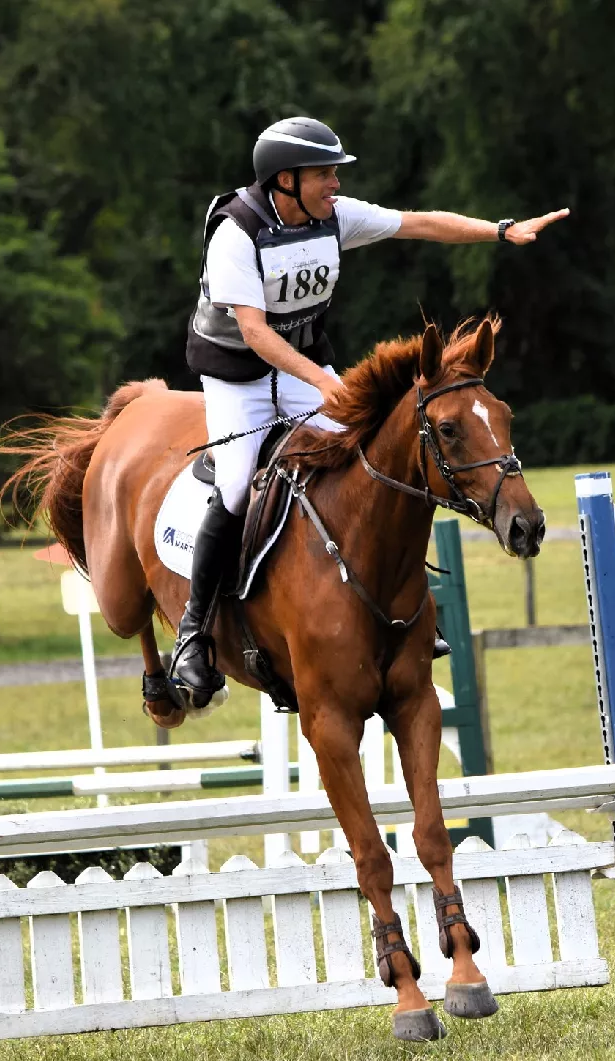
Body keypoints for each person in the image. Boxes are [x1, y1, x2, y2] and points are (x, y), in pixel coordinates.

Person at [172, 115, 569, 702]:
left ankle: (399, 609)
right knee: (235, 487)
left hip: (303, 366)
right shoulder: (236, 233)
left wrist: (502, 232)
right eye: (324, 174)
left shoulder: (332, 216)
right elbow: (254, 333)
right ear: (285, 180)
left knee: (385, 452)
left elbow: (421, 224)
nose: (335, 184)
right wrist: (324, 385)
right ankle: (194, 633)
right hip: (239, 379)